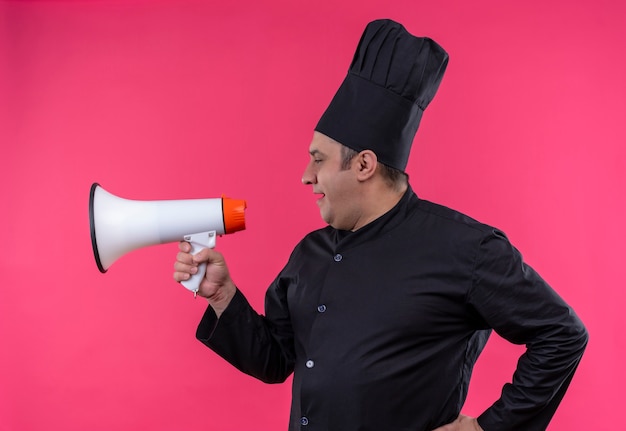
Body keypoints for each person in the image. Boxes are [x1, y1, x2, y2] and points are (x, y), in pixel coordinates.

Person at [173, 19, 588, 431]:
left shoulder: (467, 249)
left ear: (364, 165)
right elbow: (276, 361)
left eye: (318, 159)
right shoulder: (309, 253)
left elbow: (562, 334)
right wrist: (223, 296)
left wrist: (486, 429)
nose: (305, 175)